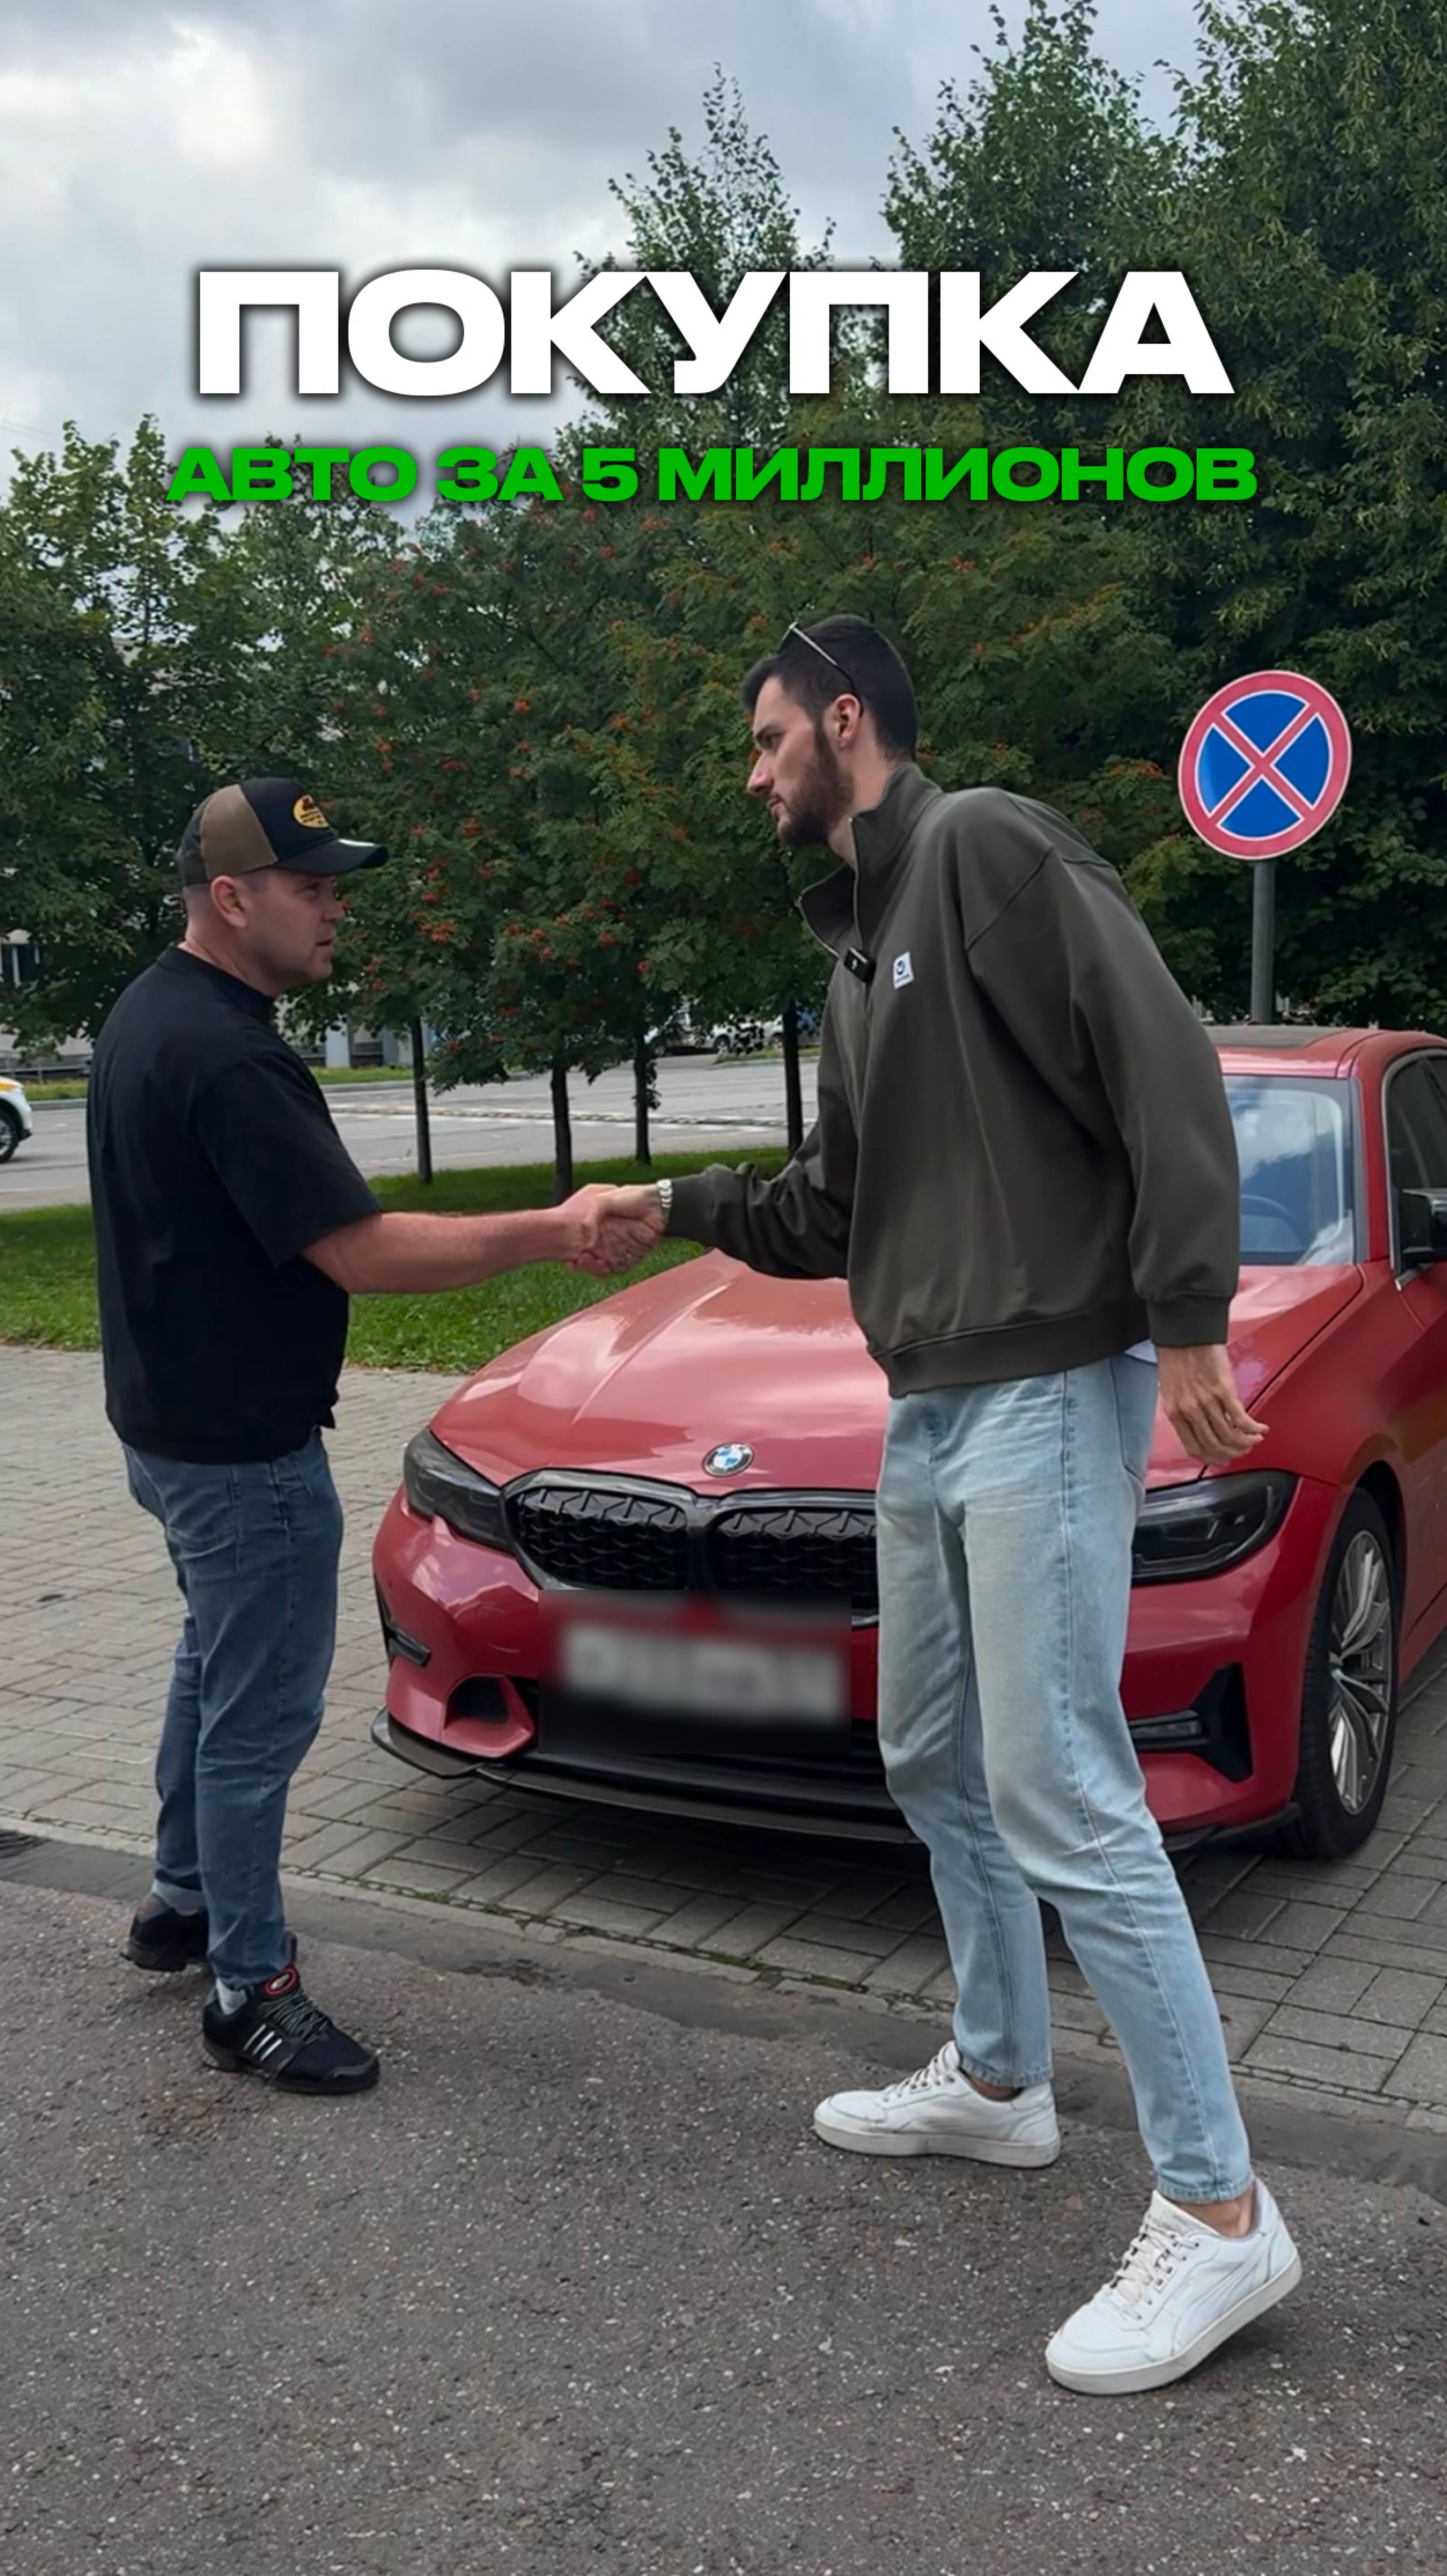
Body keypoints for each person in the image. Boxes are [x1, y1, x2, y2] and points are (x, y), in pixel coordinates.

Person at [594, 618, 1300, 2395]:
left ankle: (1220, 2208)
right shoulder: (856, 951)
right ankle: (999, 2077)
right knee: (930, 1750)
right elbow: (831, 1211)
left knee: (1063, 1784)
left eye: (768, 738)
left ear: (848, 720)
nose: (752, 772)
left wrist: (1189, 1310)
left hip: (1047, 1387)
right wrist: (674, 1204)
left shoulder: (984, 844)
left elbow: (1163, 1060)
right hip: (927, 1403)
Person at [88, 778, 653, 2098]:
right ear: (234, 899)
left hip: (168, 1430)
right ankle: (250, 1987)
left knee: (213, 1661)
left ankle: (181, 1898)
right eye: (311, 887)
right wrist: (555, 1226)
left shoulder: (148, 1012)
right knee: (258, 1715)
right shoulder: (230, 1053)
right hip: (243, 1456)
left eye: (337, 885)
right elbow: (364, 1251)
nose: (336, 908)